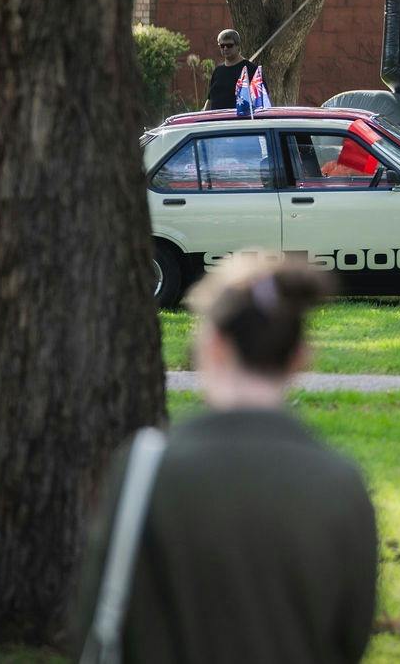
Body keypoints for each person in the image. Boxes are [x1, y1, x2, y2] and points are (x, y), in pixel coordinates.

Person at [68, 260, 378, 663]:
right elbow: (351, 636)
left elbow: (95, 620)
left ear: (213, 345)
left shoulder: (145, 468)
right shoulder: (341, 482)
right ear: (300, 357)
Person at [204, 29, 246, 111]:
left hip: (240, 117)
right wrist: (203, 115)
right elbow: (210, 99)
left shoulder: (250, 69)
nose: (225, 48)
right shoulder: (217, 71)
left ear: (238, 46)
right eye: (222, 46)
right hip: (216, 118)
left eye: (229, 45)